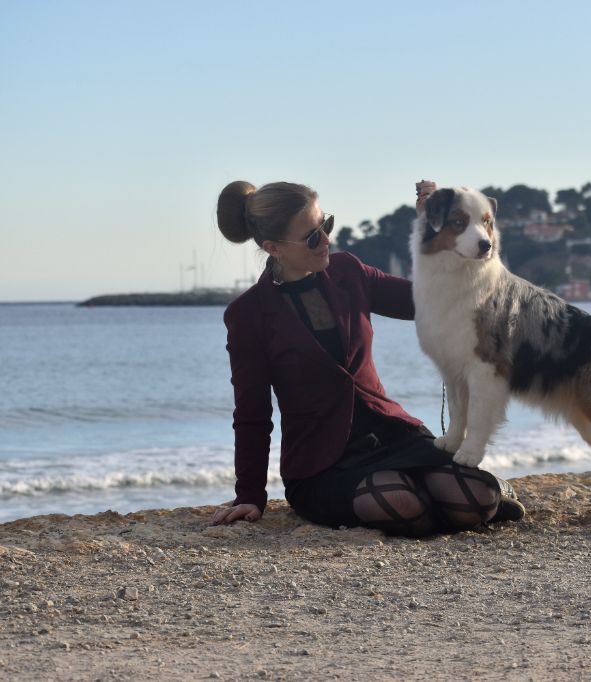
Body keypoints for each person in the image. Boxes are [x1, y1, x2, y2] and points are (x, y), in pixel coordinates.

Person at [210, 179, 525, 537]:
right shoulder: (249, 314)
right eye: (312, 236)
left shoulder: (348, 271)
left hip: (391, 436)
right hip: (322, 464)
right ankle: (444, 494)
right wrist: (250, 494)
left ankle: (480, 492)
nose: (326, 240)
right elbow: (252, 413)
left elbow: (425, 302)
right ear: (273, 247)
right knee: (403, 506)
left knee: (476, 499)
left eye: (325, 225)